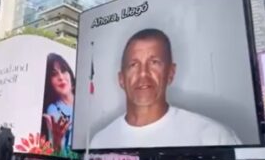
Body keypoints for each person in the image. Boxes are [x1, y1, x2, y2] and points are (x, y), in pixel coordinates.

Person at [90, 28, 241, 148]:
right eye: (133, 65)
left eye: (154, 62)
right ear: (121, 79)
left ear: (171, 73)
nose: (143, 74)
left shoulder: (215, 138)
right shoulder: (99, 142)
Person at [42, 53, 75, 154]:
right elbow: (59, 152)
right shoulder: (53, 110)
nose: (61, 77)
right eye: (54, 74)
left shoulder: (85, 98)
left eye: (64, 71)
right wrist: (57, 141)